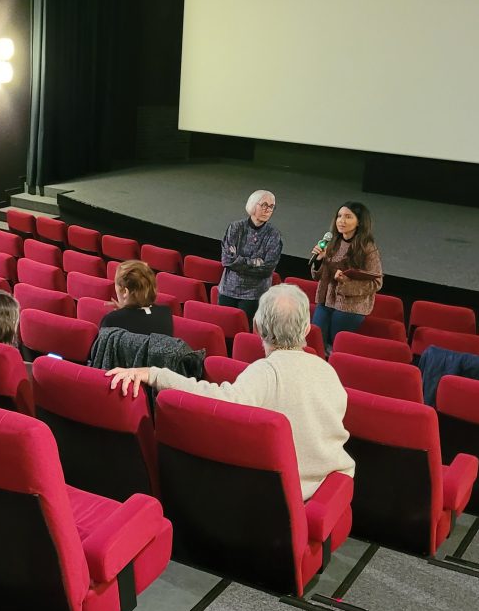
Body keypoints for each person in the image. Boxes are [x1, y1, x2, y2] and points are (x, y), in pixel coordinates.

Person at [108, 284, 354, 499]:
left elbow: (218, 401)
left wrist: (155, 373)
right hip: (329, 485)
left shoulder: (266, 372)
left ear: (256, 327)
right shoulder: (327, 371)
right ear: (307, 330)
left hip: (286, 491)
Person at [309, 201, 383, 353]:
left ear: (359, 222)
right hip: (326, 300)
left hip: (351, 306)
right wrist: (319, 261)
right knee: (314, 342)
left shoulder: (367, 247)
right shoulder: (331, 242)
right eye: (339, 216)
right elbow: (319, 276)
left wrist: (346, 282)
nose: (341, 221)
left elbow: (376, 282)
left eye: (348, 217)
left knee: (334, 347)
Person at [218, 190, 283, 320]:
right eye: (264, 205)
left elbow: (267, 269)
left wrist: (239, 260)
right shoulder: (235, 227)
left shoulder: (274, 235)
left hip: (254, 294)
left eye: (271, 207)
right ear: (253, 205)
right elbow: (226, 260)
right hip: (228, 289)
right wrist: (255, 262)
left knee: (244, 332)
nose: (268, 210)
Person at [100, 260, 173, 337]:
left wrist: (121, 313)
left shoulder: (111, 321)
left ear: (125, 291)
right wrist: (124, 311)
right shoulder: (165, 313)